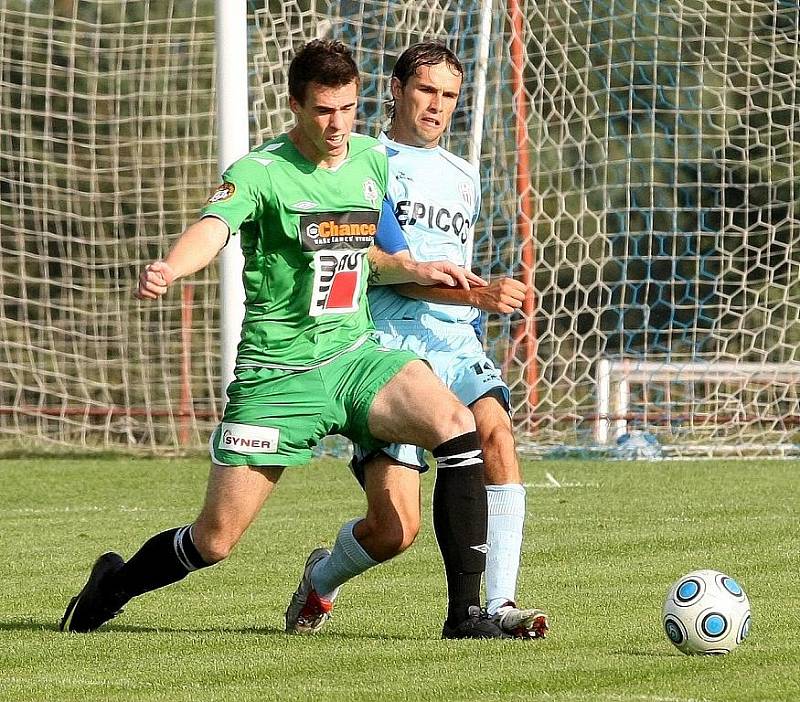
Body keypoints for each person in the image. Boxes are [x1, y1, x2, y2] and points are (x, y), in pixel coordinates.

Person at [59, 39, 506, 640]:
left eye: (347, 109)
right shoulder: (259, 172)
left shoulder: (371, 160)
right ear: (295, 104)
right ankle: (113, 584)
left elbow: (362, 251)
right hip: (279, 375)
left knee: (459, 426)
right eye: (324, 110)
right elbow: (213, 228)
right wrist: (172, 267)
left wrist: (415, 269)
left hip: (354, 356)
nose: (337, 124)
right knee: (214, 540)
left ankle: (465, 618)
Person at [348, 42, 550, 639]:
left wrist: (474, 306)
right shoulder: (368, 163)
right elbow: (385, 268)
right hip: (388, 342)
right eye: (426, 90)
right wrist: (477, 294)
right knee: (394, 532)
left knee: (496, 433)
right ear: (396, 89)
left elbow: (454, 268)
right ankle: (322, 580)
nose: (438, 106)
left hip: (455, 338)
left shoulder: (465, 175)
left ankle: (496, 604)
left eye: (449, 96)